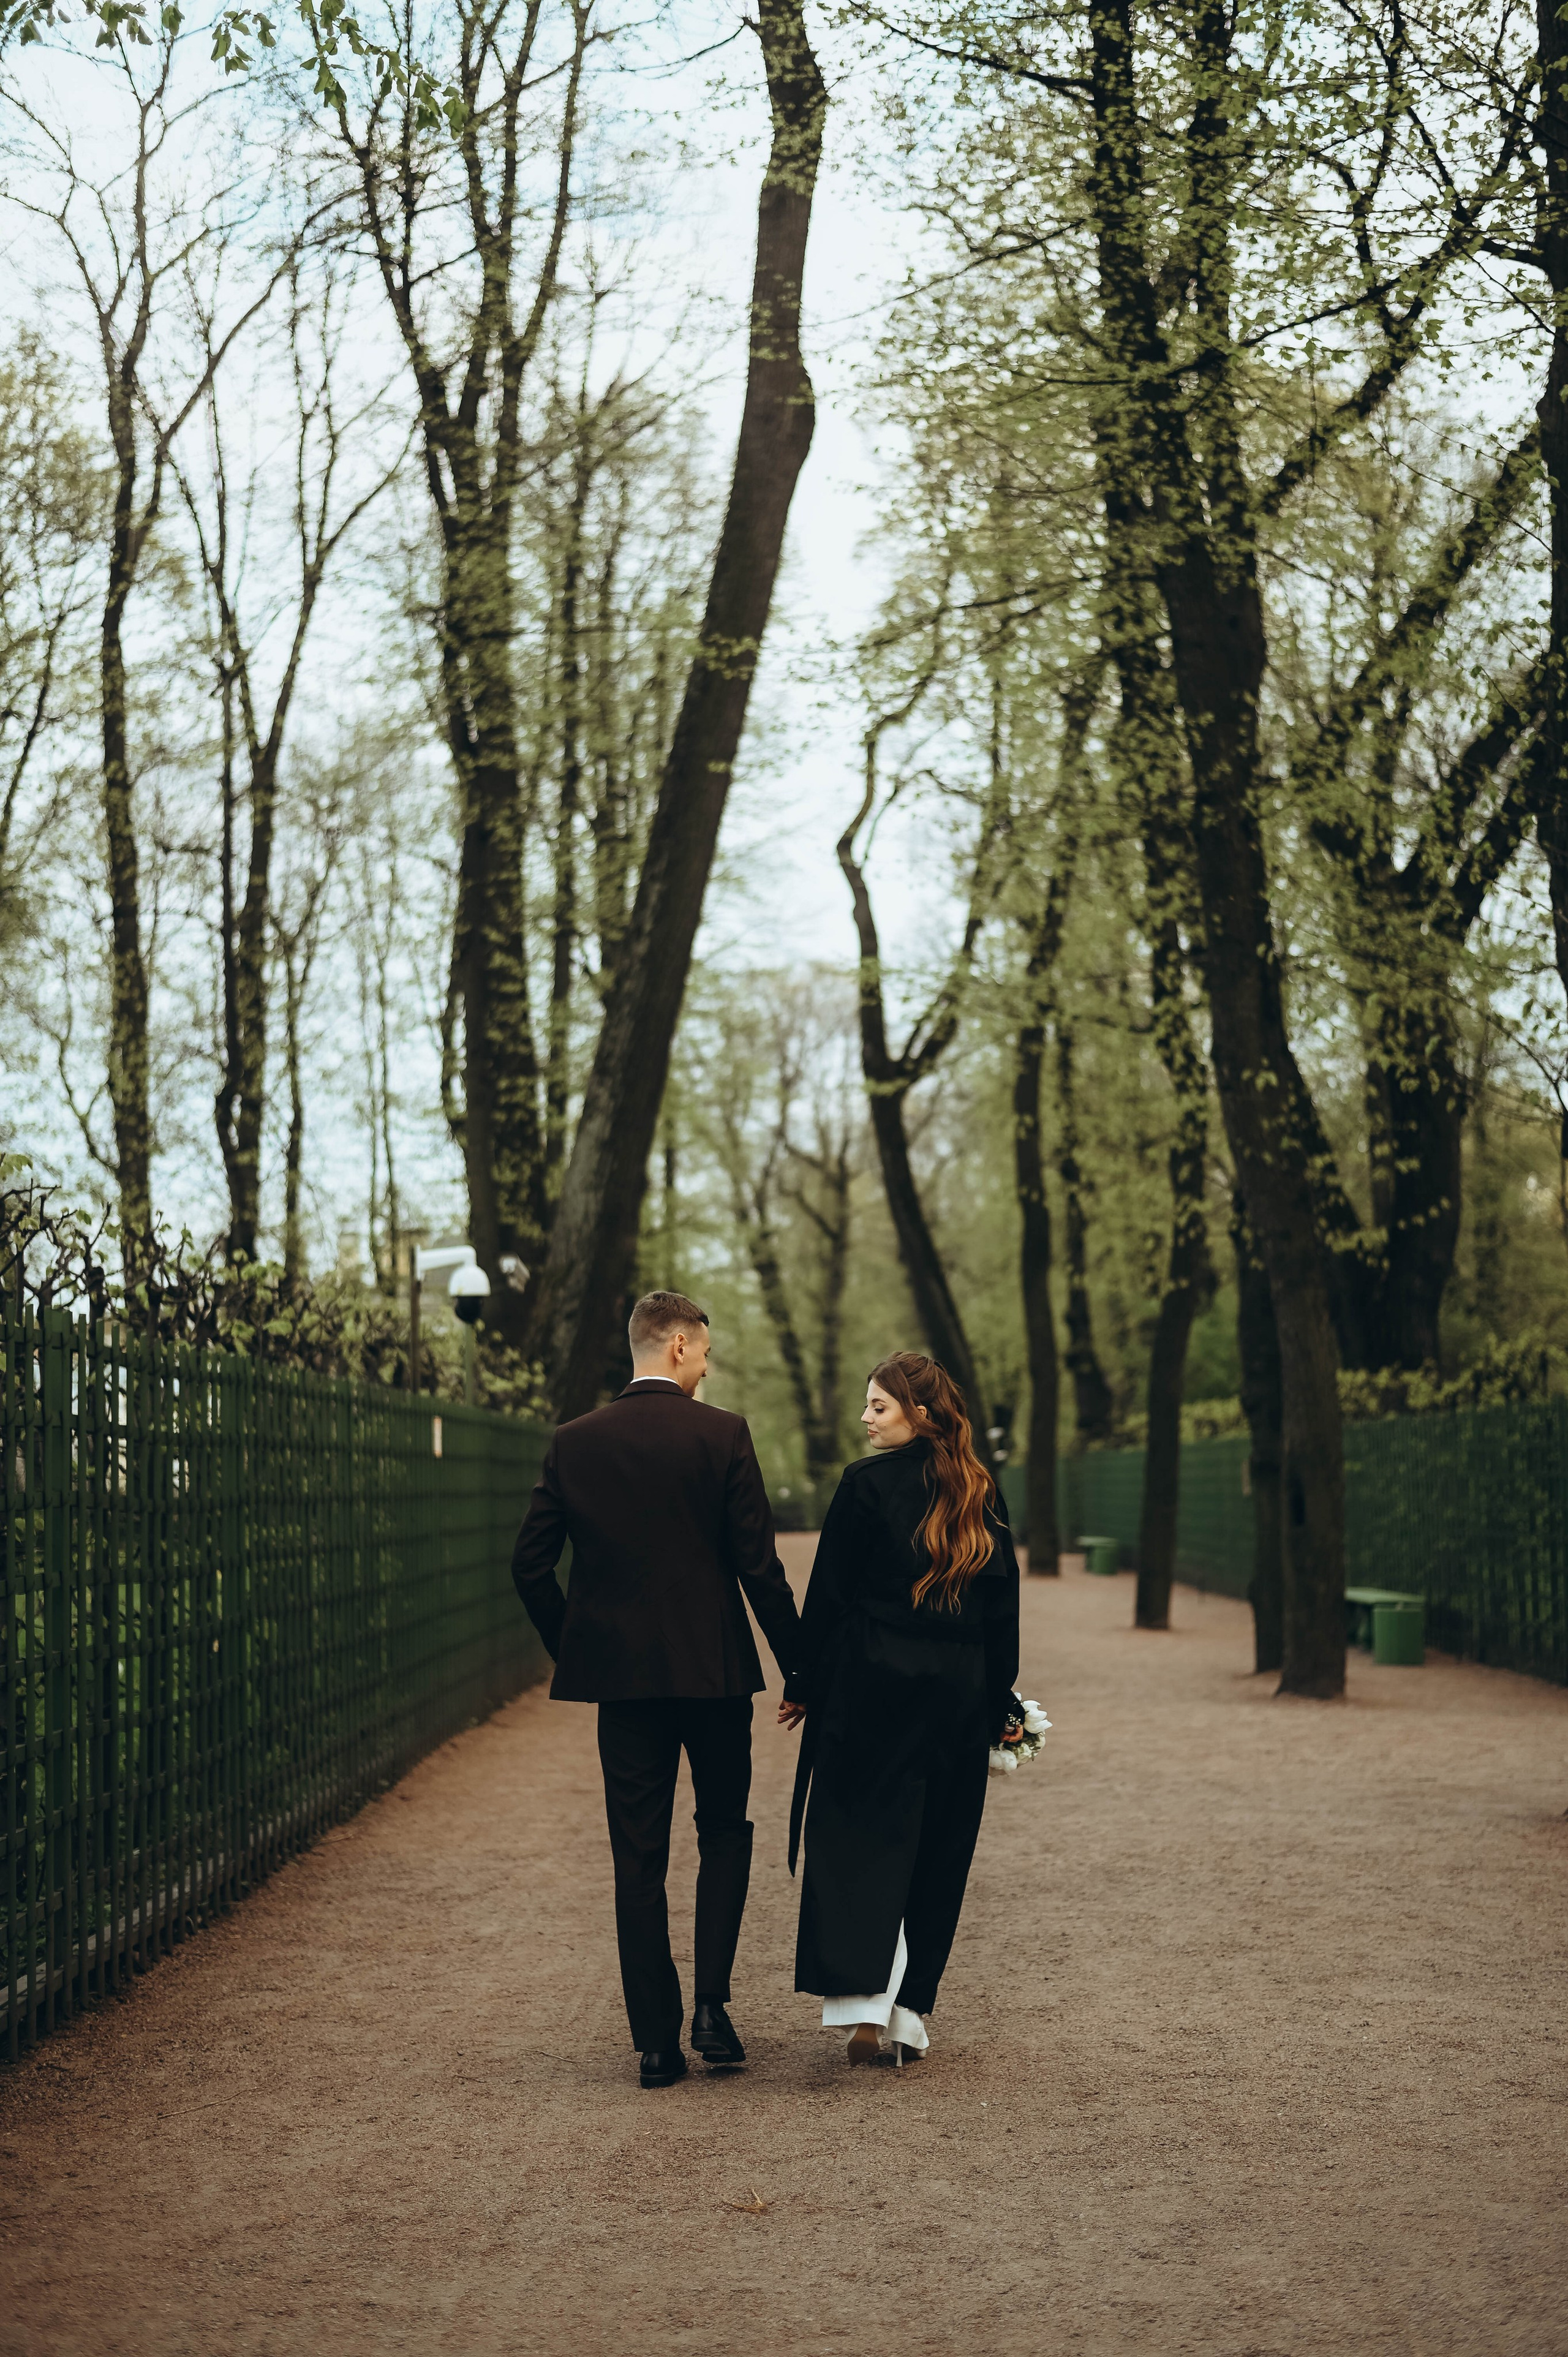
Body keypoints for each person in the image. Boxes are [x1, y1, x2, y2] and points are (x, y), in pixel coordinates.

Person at [510, 1291, 802, 2091]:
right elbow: (760, 1570)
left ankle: (655, 2046)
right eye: (704, 1352)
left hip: (624, 1687)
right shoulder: (723, 1436)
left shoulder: (575, 1444)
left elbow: (529, 1567)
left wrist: (579, 1649)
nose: (707, 1367)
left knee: (637, 1859)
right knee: (725, 1833)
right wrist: (800, 1668)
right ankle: (711, 2007)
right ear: (677, 1346)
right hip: (714, 1677)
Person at [780, 1351, 1021, 2064]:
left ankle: (861, 2003)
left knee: (859, 1835)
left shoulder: (863, 1486)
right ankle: (910, 2008)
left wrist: (803, 1680)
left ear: (919, 1411)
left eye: (878, 1405)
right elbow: (1001, 1610)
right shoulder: (981, 1489)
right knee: (940, 1844)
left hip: (869, 1684)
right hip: (955, 1688)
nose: (865, 1417)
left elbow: (828, 1594)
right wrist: (995, 1696)